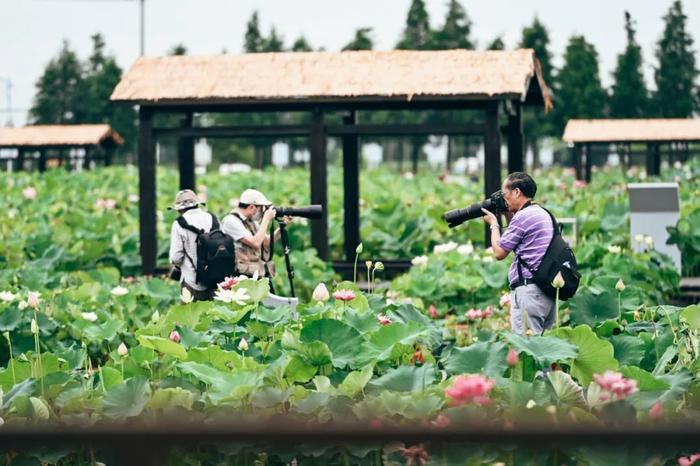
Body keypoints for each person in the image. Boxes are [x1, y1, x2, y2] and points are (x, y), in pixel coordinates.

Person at [481, 172, 555, 335]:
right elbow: (519, 243)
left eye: (504, 194)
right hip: (545, 292)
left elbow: (500, 252)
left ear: (516, 192)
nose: (503, 198)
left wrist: (494, 224)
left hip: (529, 292)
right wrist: (508, 214)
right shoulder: (541, 213)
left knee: (526, 349)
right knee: (543, 350)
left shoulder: (522, 217)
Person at [221, 189, 290, 279]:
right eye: (261, 207)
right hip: (241, 276)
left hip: (256, 274)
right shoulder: (231, 221)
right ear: (252, 207)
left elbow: (266, 242)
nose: (262, 211)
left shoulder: (251, 221)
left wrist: (283, 225)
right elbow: (255, 243)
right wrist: (266, 219)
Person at [168, 189, 216, 301]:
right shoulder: (212, 218)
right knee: (213, 317)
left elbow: (176, 257)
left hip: (191, 280)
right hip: (215, 278)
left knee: (190, 317)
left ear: (180, 209)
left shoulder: (179, 223)